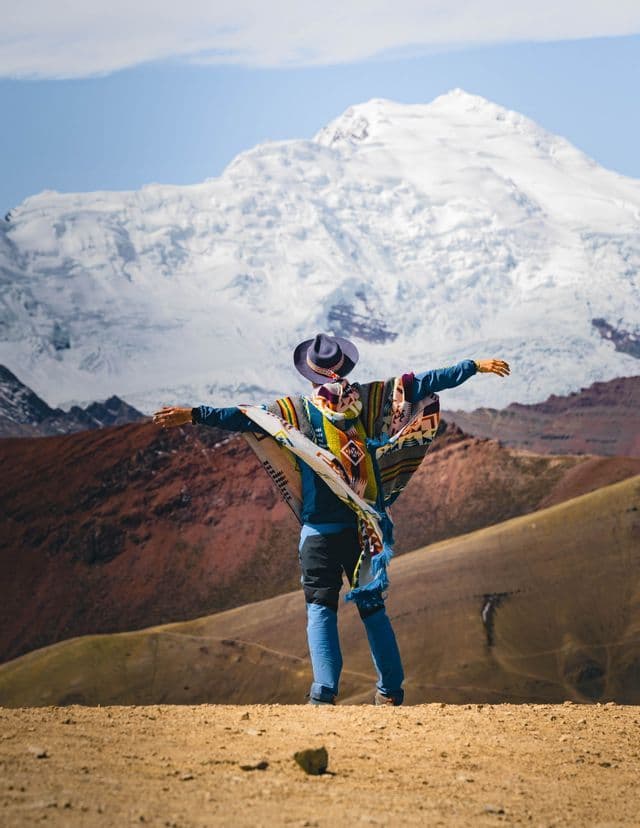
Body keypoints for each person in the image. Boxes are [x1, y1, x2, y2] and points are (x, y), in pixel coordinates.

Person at [153, 334, 509, 706]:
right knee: (373, 609)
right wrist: (475, 366)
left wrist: (193, 414)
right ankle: (391, 691)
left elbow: (243, 417)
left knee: (320, 610)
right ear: (344, 368)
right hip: (363, 529)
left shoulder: (297, 412)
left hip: (318, 531)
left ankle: (323, 694)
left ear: (310, 375)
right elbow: (424, 382)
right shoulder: (371, 402)